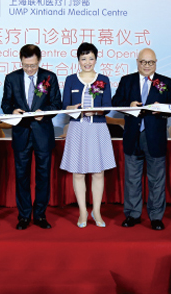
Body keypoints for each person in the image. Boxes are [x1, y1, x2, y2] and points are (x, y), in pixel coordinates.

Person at [112, 48, 171, 231]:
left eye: (150, 62)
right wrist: (129, 105)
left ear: (156, 63)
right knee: (132, 178)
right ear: (137, 62)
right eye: (143, 62)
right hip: (133, 135)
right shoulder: (127, 81)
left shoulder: (165, 82)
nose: (147, 65)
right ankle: (132, 214)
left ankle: (156, 217)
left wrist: (163, 108)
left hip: (155, 137)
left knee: (156, 179)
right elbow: (115, 101)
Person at [1, 44, 62, 230]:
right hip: (21, 133)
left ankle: (40, 215)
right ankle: (24, 216)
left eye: (33, 65)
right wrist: (13, 111)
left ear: (39, 60)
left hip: (42, 133)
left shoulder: (49, 77)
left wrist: (44, 112)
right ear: (21, 61)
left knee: (43, 176)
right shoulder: (11, 78)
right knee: (22, 176)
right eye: (26, 65)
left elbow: (56, 104)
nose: (29, 69)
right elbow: (5, 104)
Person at [61, 42, 116, 228]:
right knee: (78, 173)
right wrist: (73, 108)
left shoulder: (103, 79)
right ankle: (83, 212)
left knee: (98, 173)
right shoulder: (71, 80)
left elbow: (107, 107)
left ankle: (97, 211)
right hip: (77, 128)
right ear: (78, 60)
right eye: (83, 58)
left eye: (91, 58)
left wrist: (97, 111)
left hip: (98, 129)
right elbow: (65, 106)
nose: (87, 62)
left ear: (96, 59)